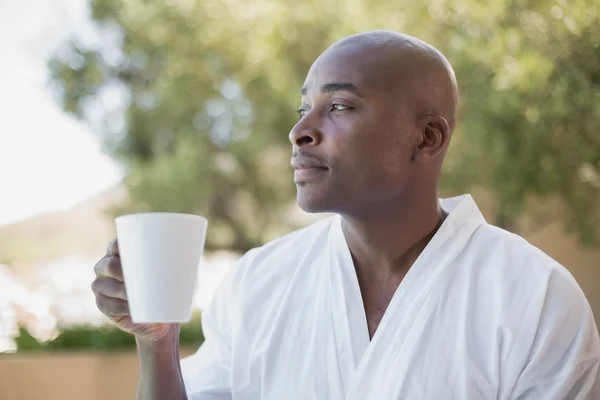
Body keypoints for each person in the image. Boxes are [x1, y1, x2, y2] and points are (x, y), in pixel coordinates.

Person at [92, 30, 600, 399]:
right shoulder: (258, 283)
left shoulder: (536, 299)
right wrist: (158, 344)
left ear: (427, 138)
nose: (300, 132)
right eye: (302, 109)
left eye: (339, 107)